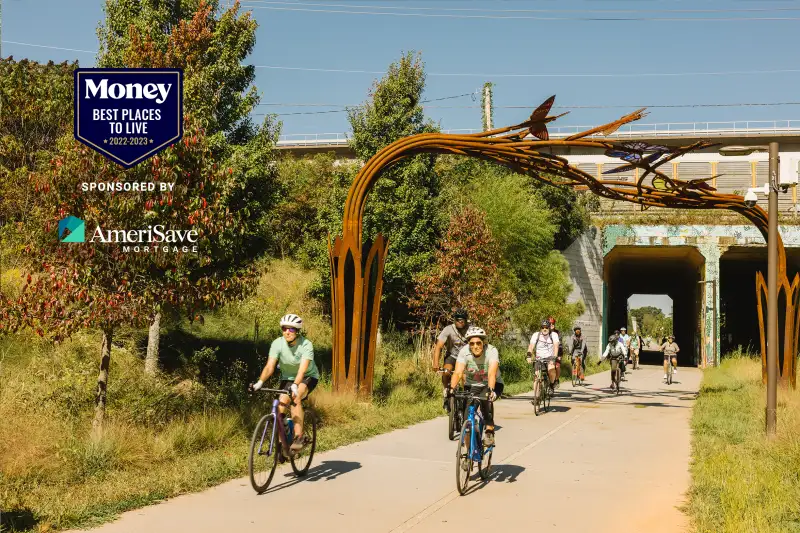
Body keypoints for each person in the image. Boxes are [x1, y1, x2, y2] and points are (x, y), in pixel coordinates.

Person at [249, 314, 320, 452]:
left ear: (297, 331)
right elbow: (270, 366)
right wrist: (260, 382)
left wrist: (296, 385)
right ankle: (284, 440)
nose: (287, 332)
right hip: (287, 378)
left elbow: (302, 369)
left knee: (296, 397)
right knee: (280, 408)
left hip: (307, 376)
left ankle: (299, 436)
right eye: (285, 329)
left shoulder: (306, 344)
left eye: (291, 329)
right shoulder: (277, 343)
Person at [449, 326, 503, 447]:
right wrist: (451, 388)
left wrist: (490, 390)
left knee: (486, 403)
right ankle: (468, 455)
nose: (475, 346)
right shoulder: (464, 352)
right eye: (472, 343)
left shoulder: (491, 351)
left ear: (483, 343)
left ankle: (489, 432)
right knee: (467, 419)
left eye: (478, 343)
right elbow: (458, 372)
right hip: (471, 385)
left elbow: (491, 373)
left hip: (491, 383)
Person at [433, 309, 470, 410]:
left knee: (464, 377)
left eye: (462, 320)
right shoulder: (448, 329)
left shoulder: (471, 329)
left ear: (466, 320)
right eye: (458, 320)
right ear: (454, 320)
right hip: (452, 356)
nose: (460, 322)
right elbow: (438, 346)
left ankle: (466, 398)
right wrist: (435, 363)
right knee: (446, 372)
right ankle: (446, 390)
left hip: (466, 358)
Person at [526, 319, 560, 391]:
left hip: (550, 357)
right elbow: (531, 346)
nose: (544, 329)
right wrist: (529, 356)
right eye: (543, 327)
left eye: (546, 327)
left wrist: (554, 358)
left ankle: (551, 384)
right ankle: (536, 397)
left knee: (551, 370)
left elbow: (556, 346)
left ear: (549, 328)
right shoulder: (536, 335)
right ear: (540, 328)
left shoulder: (554, 335)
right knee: (536, 376)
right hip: (539, 358)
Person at [548, 316, 563, 388]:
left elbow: (560, 345)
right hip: (547, 353)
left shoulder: (558, 333)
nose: (551, 325)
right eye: (550, 324)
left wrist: (559, 355)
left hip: (557, 352)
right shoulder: (545, 332)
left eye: (553, 324)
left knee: (557, 366)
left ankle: (556, 379)